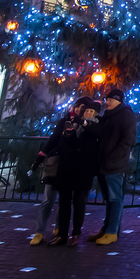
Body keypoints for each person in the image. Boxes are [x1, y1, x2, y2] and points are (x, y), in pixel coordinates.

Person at [30, 99, 87, 244]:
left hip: (72, 167)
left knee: (65, 200)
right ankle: (40, 231)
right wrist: (39, 159)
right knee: (49, 199)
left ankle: (60, 229)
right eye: (77, 107)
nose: (79, 111)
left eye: (83, 108)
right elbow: (53, 140)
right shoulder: (64, 122)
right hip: (57, 164)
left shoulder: (86, 125)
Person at [53, 97, 103, 246]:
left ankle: (75, 233)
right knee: (64, 202)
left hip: (84, 169)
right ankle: (62, 233)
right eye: (86, 110)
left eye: (91, 111)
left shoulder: (98, 125)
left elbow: (96, 133)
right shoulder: (72, 124)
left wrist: (84, 123)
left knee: (79, 201)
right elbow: (60, 141)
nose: (87, 113)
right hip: (67, 167)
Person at [92, 87, 137, 245]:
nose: (108, 102)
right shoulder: (108, 116)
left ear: (119, 101)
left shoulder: (125, 115)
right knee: (109, 199)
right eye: (107, 99)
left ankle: (112, 231)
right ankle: (107, 229)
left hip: (114, 164)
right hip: (104, 163)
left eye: (111, 100)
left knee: (115, 198)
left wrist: (115, 156)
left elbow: (128, 140)